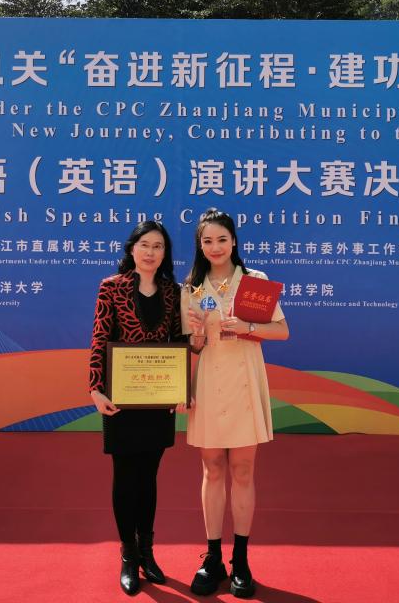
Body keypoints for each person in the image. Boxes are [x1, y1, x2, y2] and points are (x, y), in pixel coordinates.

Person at [181, 208, 289, 598]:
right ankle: (213, 557)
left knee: (243, 471)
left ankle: (240, 559)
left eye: (222, 239)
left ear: (234, 242)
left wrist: (248, 327)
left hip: (244, 381)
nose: (215, 247)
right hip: (210, 383)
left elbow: (282, 330)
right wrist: (195, 336)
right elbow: (193, 347)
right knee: (212, 469)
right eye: (207, 241)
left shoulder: (255, 281)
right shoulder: (192, 288)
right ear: (200, 245)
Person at [88, 220, 181, 596]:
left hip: (158, 397)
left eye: (158, 246)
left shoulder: (173, 291)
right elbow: (100, 336)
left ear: (165, 253)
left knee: (149, 476)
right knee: (125, 475)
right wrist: (95, 387)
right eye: (145, 245)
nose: (150, 252)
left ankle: (147, 552)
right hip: (121, 398)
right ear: (132, 249)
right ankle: (128, 554)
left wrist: (180, 389)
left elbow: (178, 340)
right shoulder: (111, 287)